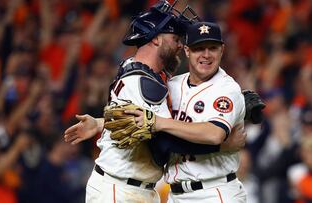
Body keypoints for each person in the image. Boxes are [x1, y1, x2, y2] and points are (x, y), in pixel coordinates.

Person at [63, 1, 191, 202]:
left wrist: (99, 123)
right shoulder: (145, 84)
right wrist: (217, 136)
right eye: (175, 38)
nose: (180, 46)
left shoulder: (131, 66)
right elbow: (167, 144)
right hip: (121, 190)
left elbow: (132, 120)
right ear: (156, 39)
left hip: (129, 187)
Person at [127, 21, 248, 203]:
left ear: (222, 50)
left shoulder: (226, 89)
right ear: (187, 51)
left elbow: (214, 134)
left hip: (214, 192)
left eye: (212, 48)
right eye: (199, 48)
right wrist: (98, 123)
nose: (206, 55)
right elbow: (139, 118)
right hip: (175, 194)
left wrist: (159, 122)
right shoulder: (173, 85)